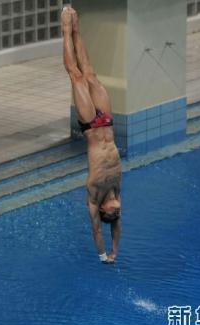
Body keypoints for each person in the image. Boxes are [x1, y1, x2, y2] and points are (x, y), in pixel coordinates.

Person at [61, 6, 122, 263]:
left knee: (76, 76)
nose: (119, 211)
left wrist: (102, 255)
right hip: (106, 123)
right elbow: (117, 229)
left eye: (115, 213)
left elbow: (98, 229)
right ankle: (77, 30)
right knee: (91, 74)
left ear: (105, 210)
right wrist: (116, 251)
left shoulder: (94, 196)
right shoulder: (117, 193)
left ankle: (66, 30)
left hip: (91, 126)